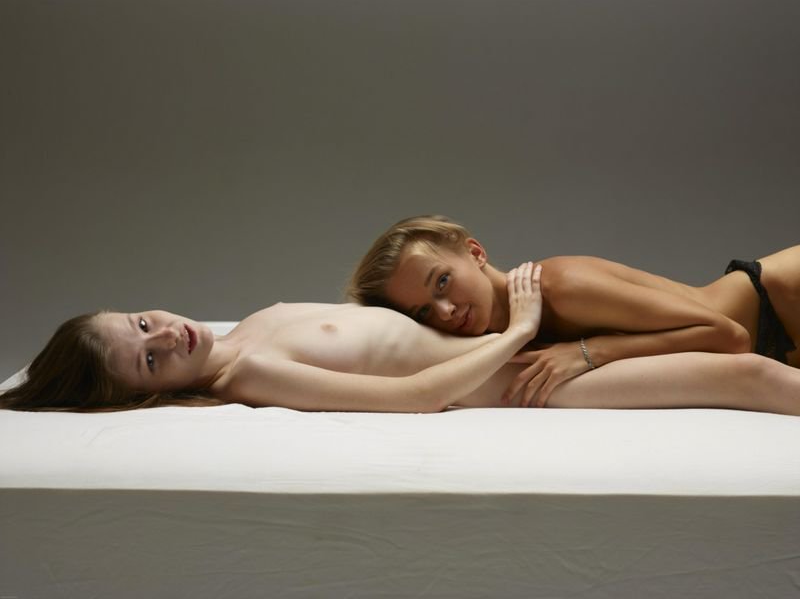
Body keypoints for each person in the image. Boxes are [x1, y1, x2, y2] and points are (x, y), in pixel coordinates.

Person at [3, 262, 800, 415]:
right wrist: (522, 330)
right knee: (751, 377)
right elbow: (417, 396)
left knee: (732, 326)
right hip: (523, 376)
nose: (166, 338)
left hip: (525, 349)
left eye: (142, 324)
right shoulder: (251, 374)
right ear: (150, 393)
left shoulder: (238, 332)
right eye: (149, 362)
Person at [347, 215, 799, 407]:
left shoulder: (559, 287)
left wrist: (590, 352)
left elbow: (729, 336)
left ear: (475, 252)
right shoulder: (511, 333)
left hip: (779, 297)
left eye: (442, 281)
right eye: (423, 313)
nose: (445, 311)